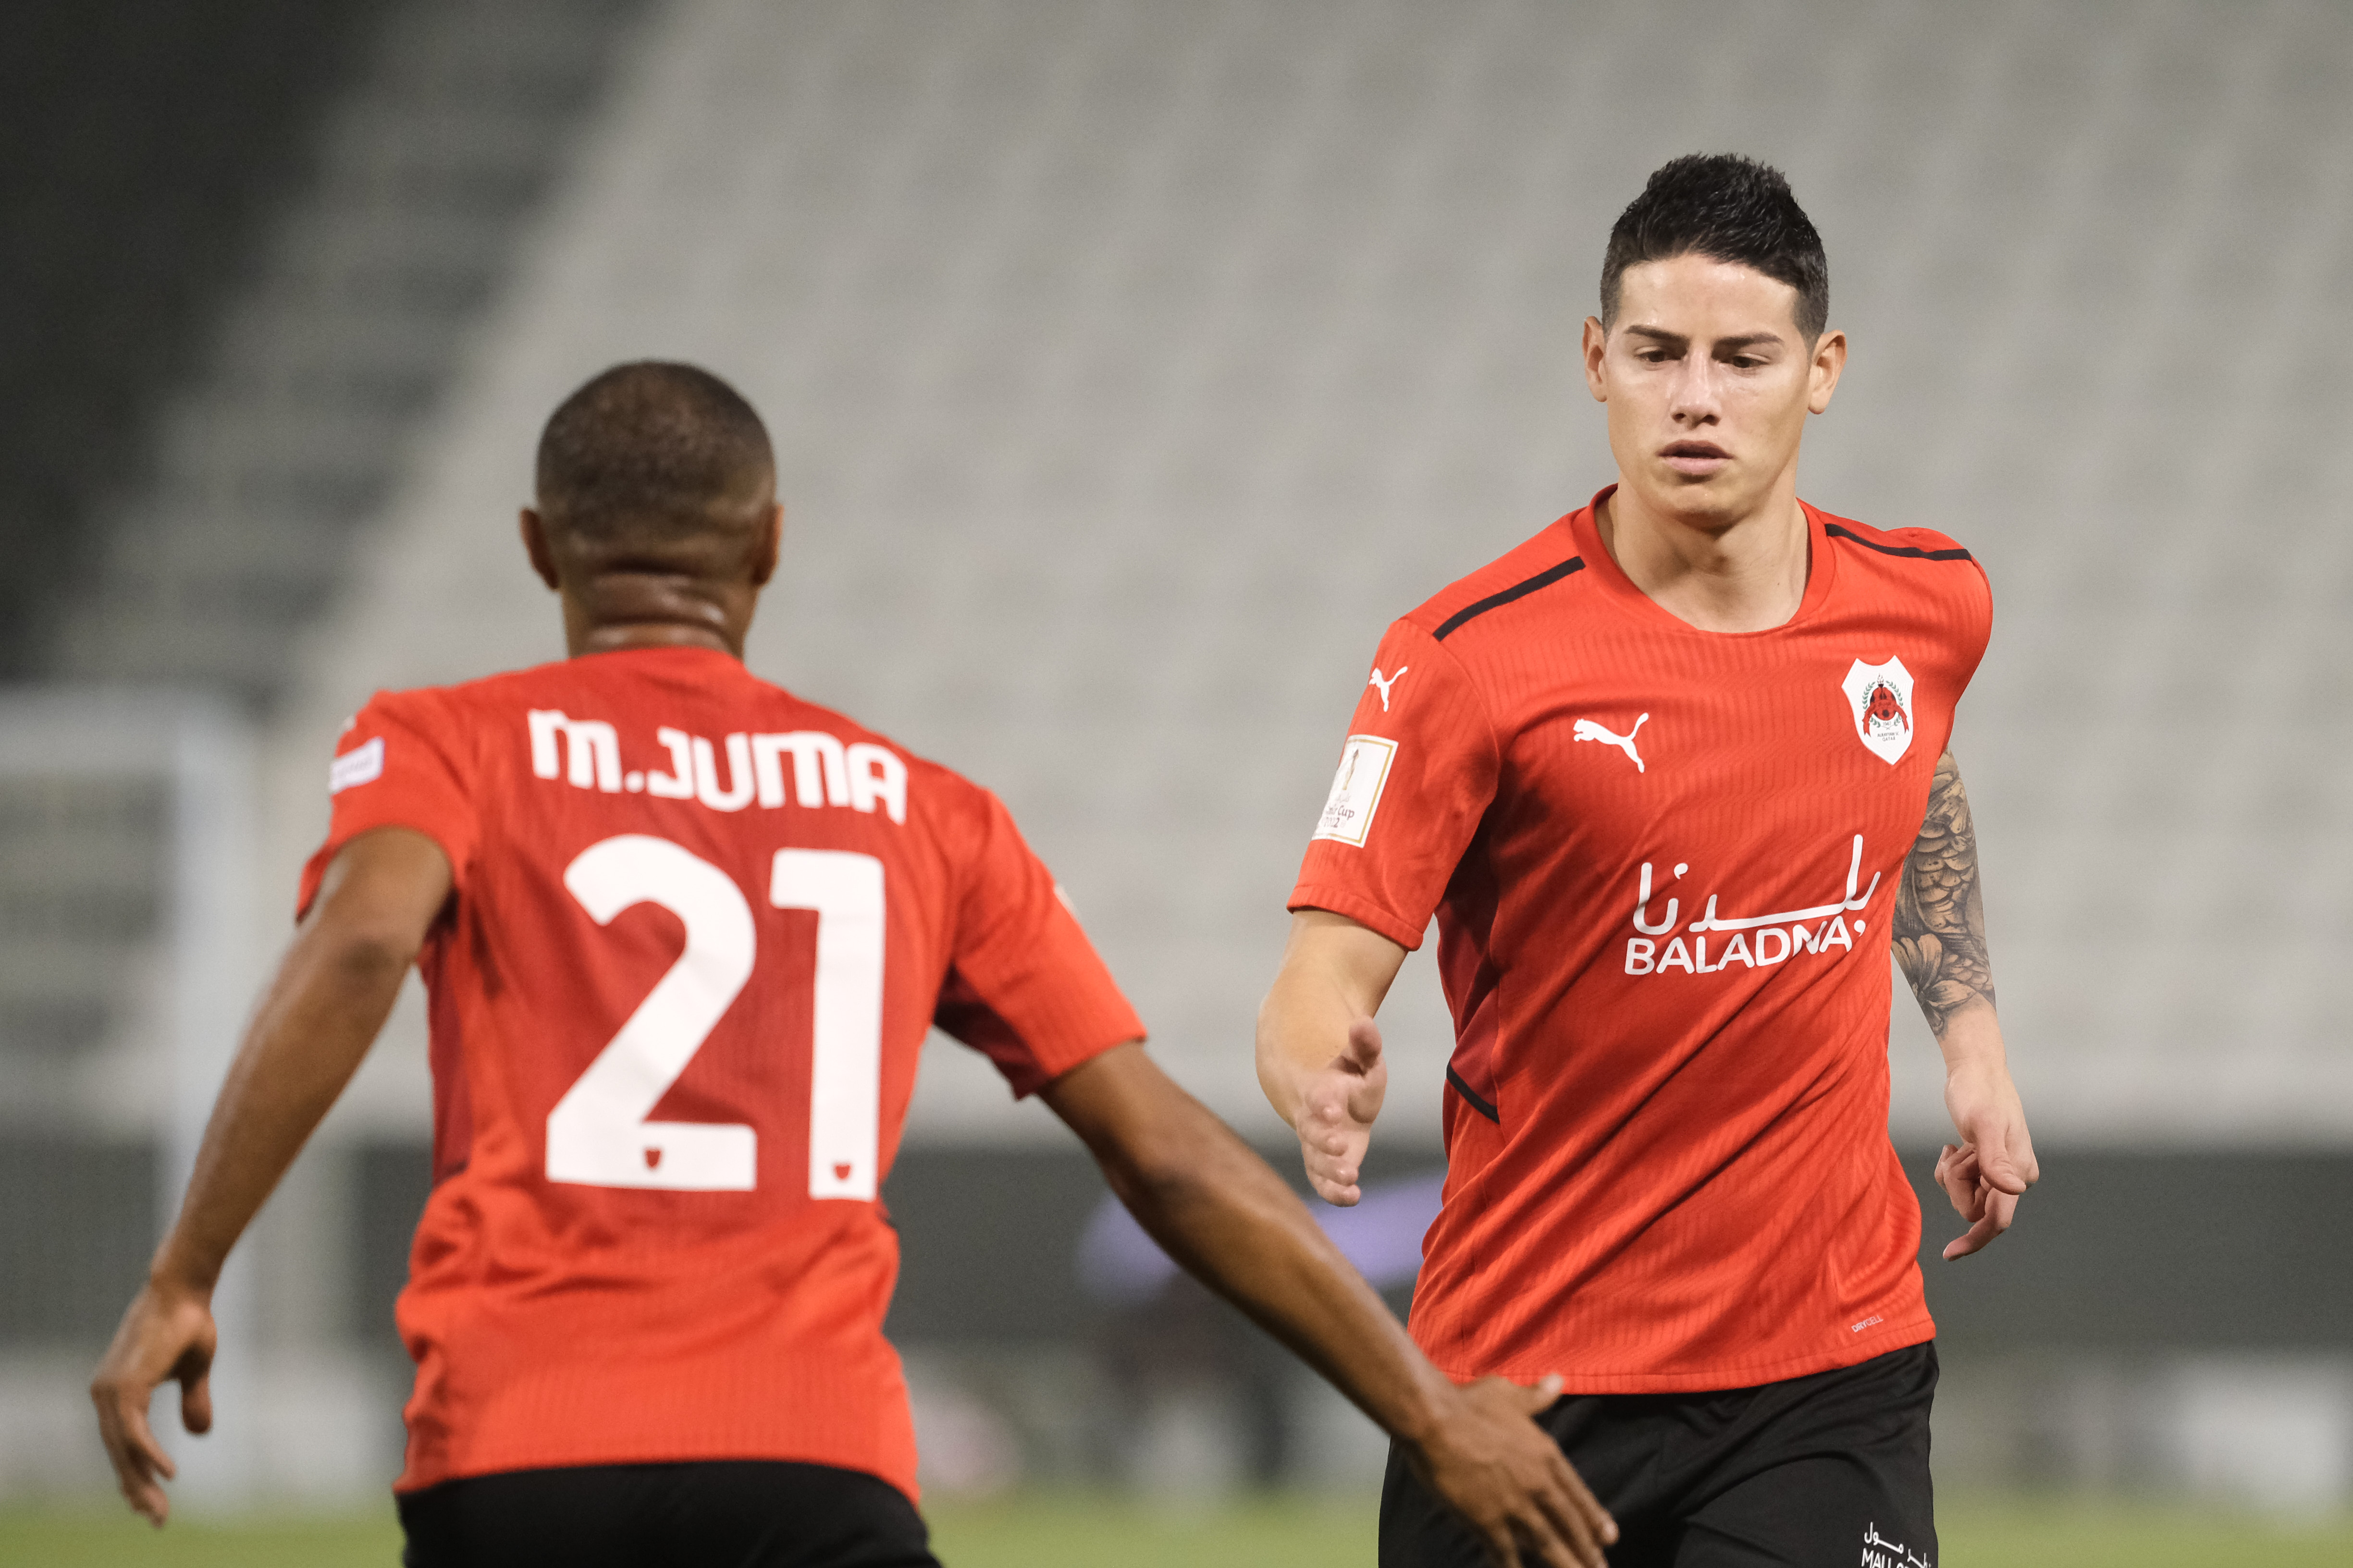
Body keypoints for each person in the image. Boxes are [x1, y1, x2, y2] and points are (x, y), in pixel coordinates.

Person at [90, 363, 1617, 1568]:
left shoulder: (447, 744)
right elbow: (1167, 1161)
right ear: (767, 545)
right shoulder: (925, 813)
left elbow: (360, 938)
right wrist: (1426, 1414)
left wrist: (183, 1273)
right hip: (809, 1467)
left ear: (538, 549)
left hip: (518, 1453)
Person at [1256, 155, 2037, 1567]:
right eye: (1655, 353)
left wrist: (1968, 1042)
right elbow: (1320, 976)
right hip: (1527, 1381)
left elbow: (1906, 764)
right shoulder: (1463, 659)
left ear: (1822, 369)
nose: (1694, 396)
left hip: (1829, 1362)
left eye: (1742, 357)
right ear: (1592, 361)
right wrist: (1318, 1070)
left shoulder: (1930, 604)